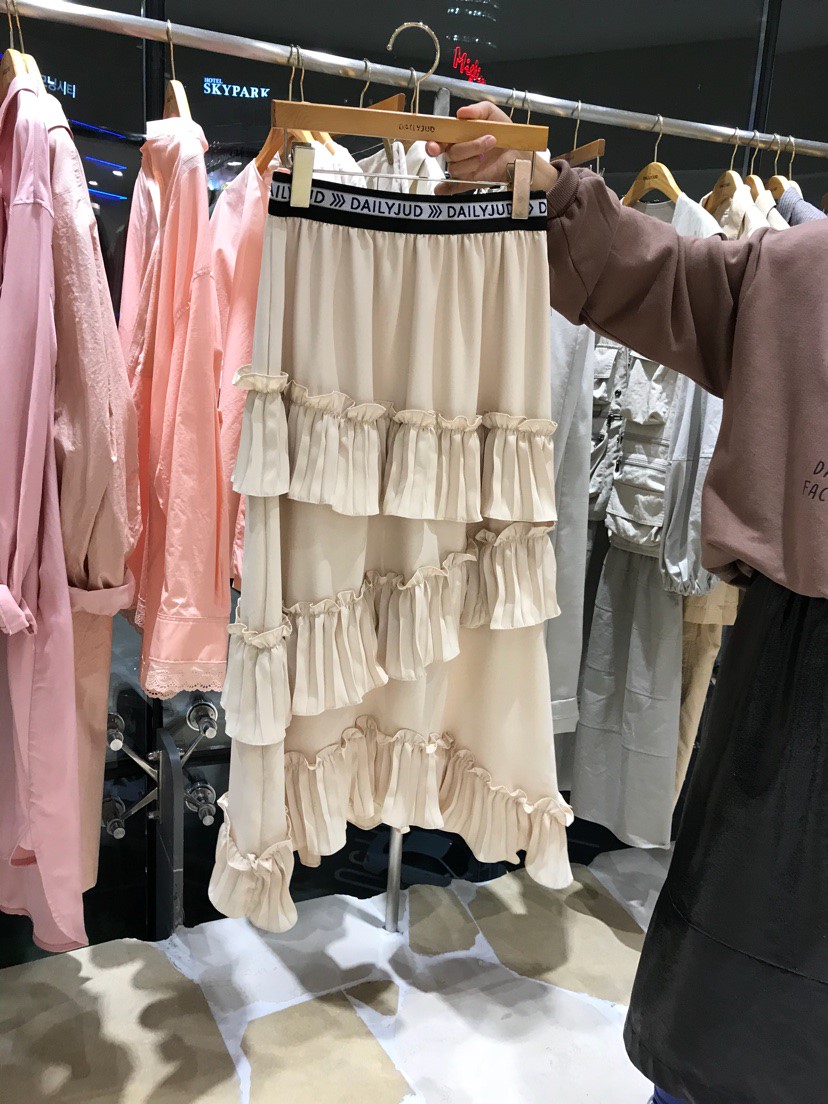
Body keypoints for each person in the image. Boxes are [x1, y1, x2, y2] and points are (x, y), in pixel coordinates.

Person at [427, 102, 828, 1104]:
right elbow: (665, 277)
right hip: (792, 690)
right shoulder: (807, 271)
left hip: (787, 684)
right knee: (725, 1027)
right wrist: (538, 188)